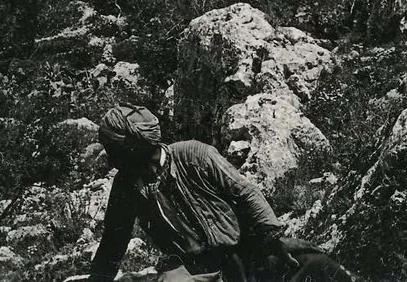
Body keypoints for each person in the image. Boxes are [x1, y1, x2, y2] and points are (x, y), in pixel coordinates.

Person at [87, 104, 353, 282]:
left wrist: (273, 238)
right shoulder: (126, 185)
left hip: (243, 252)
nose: (111, 160)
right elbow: (113, 243)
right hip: (195, 271)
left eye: (115, 151)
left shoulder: (195, 154)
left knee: (317, 267)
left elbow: (246, 193)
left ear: (136, 147)